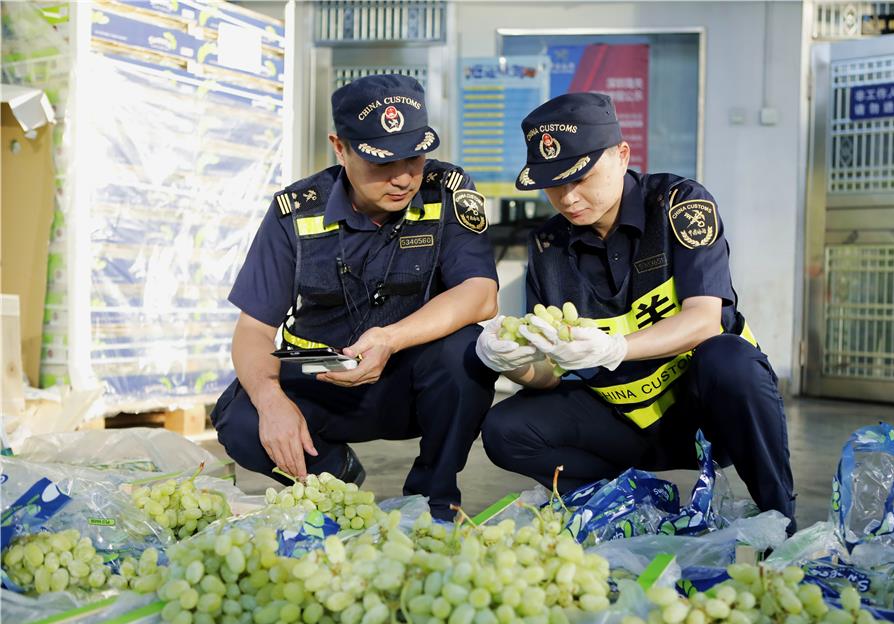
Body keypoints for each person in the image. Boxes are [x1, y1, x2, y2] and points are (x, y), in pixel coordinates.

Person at [476, 92, 796, 530]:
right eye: (553, 183)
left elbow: (704, 319)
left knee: (730, 360)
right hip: (619, 420)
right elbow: (549, 373)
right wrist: (510, 364)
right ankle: (622, 502)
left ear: (622, 156)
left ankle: (779, 519)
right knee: (504, 428)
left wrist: (615, 348)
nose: (568, 198)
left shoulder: (677, 205)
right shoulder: (548, 246)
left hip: (704, 414)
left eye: (581, 177)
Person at [212, 74, 499, 519]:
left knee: (468, 353)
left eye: (415, 157)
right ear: (340, 147)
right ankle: (334, 479)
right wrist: (272, 403)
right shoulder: (297, 211)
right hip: (325, 385)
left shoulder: (447, 192)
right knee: (240, 417)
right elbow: (253, 330)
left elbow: (480, 294)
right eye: (382, 163)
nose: (404, 178)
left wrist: (390, 339)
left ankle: (433, 496)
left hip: (411, 384)